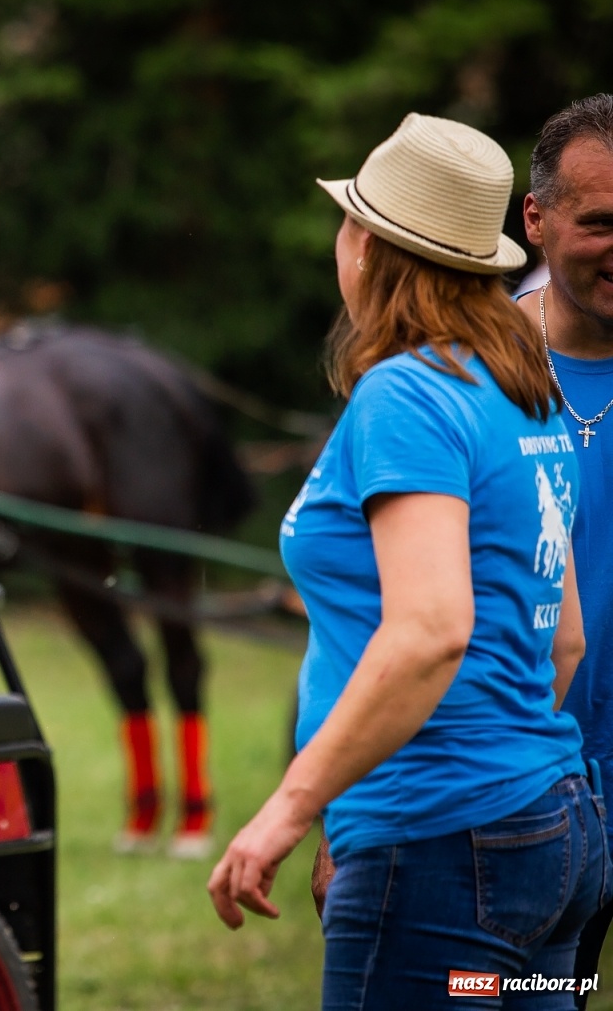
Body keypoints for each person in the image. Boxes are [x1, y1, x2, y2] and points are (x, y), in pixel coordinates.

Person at [208, 112, 605, 1008]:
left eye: (349, 223)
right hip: (555, 832)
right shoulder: (524, 383)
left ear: (374, 248)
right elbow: (565, 640)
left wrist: (291, 811)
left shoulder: (410, 393)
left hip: (441, 855)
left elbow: (430, 630)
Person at [521, 93, 613, 1004]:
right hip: (525, 791)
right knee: (527, 998)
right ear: (537, 218)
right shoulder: (468, 372)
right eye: (602, 224)